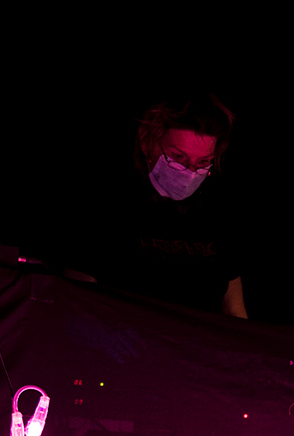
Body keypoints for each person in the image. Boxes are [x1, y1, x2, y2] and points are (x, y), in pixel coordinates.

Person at [93, 88, 248, 317]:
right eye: (178, 157)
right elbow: (76, 301)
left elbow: (235, 313)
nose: (190, 172)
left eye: (203, 162)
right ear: (147, 141)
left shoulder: (217, 217)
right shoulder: (110, 209)